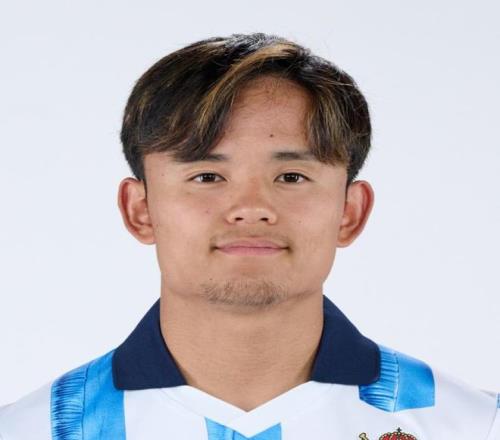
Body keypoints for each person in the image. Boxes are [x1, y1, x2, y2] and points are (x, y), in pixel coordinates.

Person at [0, 32, 498, 440]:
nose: (251, 208)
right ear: (140, 210)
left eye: (291, 177)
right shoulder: (30, 431)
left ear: (350, 211)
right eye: (207, 176)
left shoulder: (474, 427)